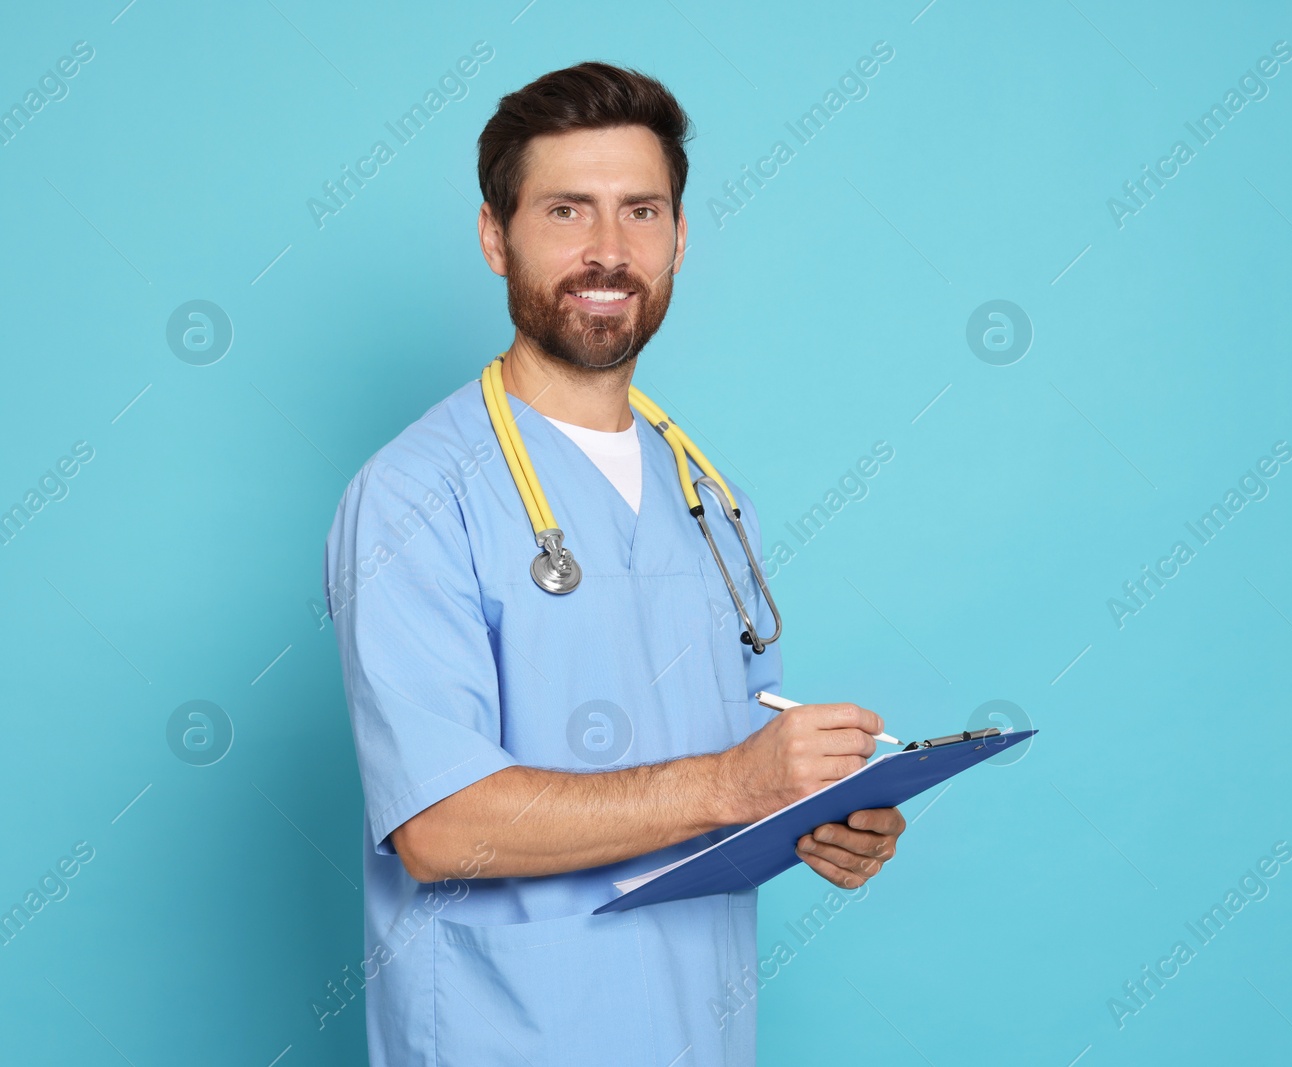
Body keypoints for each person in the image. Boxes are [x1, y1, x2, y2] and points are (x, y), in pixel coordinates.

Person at [323, 60, 907, 1065]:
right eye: (565, 210)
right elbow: (439, 826)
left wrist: (814, 809)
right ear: (494, 237)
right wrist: (737, 782)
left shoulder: (711, 503)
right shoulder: (417, 494)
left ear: (680, 238)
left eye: (641, 211)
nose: (608, 250)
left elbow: (731, 772)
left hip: (697, 1034)